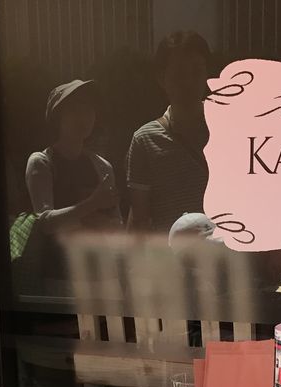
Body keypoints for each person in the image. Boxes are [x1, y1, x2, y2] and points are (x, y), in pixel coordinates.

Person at [126, 31, 212, 236]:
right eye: (179, 74)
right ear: (161, 78)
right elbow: (139, 219)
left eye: (197, 71)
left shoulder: (231, 129)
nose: (189, 82)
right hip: (172, 255)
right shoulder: (145, 140)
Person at [24, 80, 121, 233]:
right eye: (74, 110)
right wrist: (93, 204)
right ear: (58, 117)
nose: (83, 117)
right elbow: (45, 223)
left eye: (88, 109)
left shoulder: (102, 166)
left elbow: (117, 224)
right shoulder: (41, 162)